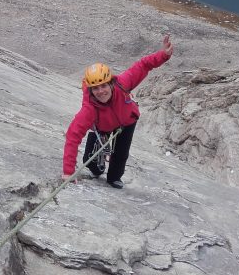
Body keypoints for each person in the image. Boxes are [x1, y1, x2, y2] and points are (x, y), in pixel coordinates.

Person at [62, 35, 174, 188]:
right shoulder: (89, 109)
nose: (101, 91)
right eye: (95, 88)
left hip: (126, 121)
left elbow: (143, 65)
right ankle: (97, 165)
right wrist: (68, 172)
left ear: (111, 83)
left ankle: (114, 176)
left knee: (121, 154)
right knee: (91, 162)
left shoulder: (122, 83)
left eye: (104, 86)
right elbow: (73, 136)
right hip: (102, 125)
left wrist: (163, 55)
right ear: (90, 89)